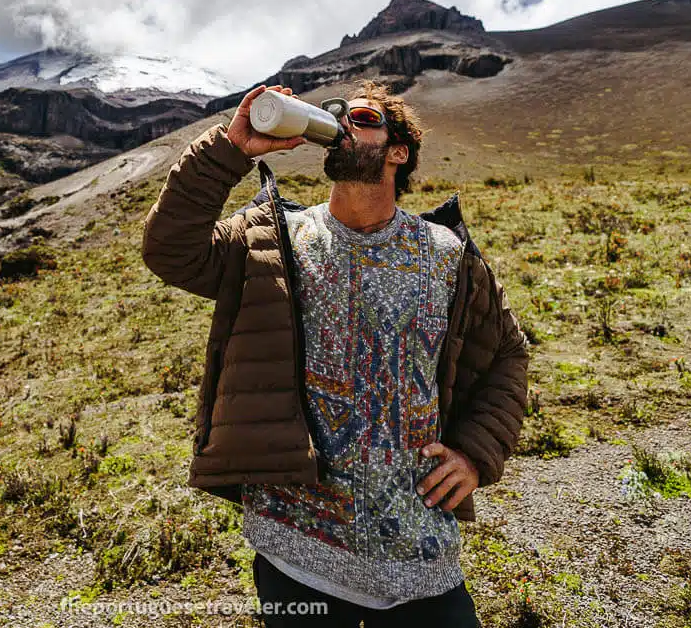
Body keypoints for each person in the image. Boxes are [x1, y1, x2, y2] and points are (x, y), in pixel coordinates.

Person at [141, 82, 530, 626]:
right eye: (336, 116)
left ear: (399, 151)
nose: (343, 122)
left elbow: (508, 352)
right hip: (298, 548)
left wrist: (475, 452)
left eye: (364, 117)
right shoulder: (272, 241)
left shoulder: (449, 255)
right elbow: (169, 251)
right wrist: (231, 147)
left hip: (419, 550)